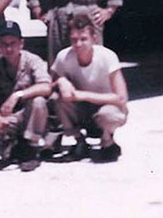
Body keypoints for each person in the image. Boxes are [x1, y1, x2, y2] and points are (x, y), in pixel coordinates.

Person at [50, 14, 128, 162]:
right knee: (57, 98)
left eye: (84, 39)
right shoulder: (63, 57)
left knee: (109, 115)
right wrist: (60, 80)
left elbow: (121, 97)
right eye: (74, 40)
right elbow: (49, 83)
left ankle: (107, 140)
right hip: (81, 109)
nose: (78, 44)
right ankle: (79, 141)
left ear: (94, 38)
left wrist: (82, 95)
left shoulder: (107, 56)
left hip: (105, 108)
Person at [0, 21, 51, 172]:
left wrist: (17, 95)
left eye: (12, 43)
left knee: (38, 101)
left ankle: (31, 149)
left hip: (32, 116)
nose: (8, 48)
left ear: (21, 43)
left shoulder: (33, 61)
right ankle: (14, 149)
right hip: (11, 119)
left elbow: (46, 87)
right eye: (4, 44)